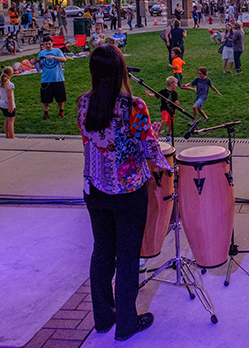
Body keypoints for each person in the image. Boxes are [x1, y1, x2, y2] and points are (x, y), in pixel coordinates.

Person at [77, 45, 169, 341]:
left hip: (94, 189)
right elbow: (149, 148)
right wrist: (167, 166)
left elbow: (95, 140)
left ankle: (103, 318)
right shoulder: (133, 106)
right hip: (128, 190)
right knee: (127, 256)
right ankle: (127, 323)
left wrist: (140, 135)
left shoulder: (83, 103)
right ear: (120, 71)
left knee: (102, 251)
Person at [37, 36, 68, 119]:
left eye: (49, 43)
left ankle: (61, 111)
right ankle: (46, 113)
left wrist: (54, 57)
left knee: (60, 97)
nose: (48, 45)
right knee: (45, 98)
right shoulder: (41, 53)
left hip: (58, 78)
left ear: (52, 43)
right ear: (43, 44)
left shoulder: (57, 51)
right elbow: (40, 65)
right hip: (46, 79)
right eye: (46, 44)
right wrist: (38, 63)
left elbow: (64, 59)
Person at [145, 76, 179, 142]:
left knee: (170, 124)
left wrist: (176, 103)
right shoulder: (163, 91)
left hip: (172, 110)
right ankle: (157, 129)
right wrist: (149, 94)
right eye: (175, 83)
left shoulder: (175, 93)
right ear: (171, 84)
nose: (176, 85)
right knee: (165, 119)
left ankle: (168, 135)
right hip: (164, 109)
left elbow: (176, 100)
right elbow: (155, 95)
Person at [0, 66, 16, 138]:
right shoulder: (10, 85)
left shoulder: (0, 83)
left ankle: (7, 135)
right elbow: (10, 97)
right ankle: (12, 136)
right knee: (11, 121)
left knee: (6, 119)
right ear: (11, 74)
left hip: (2, 103)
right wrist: (11, 106)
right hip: (8, 104)